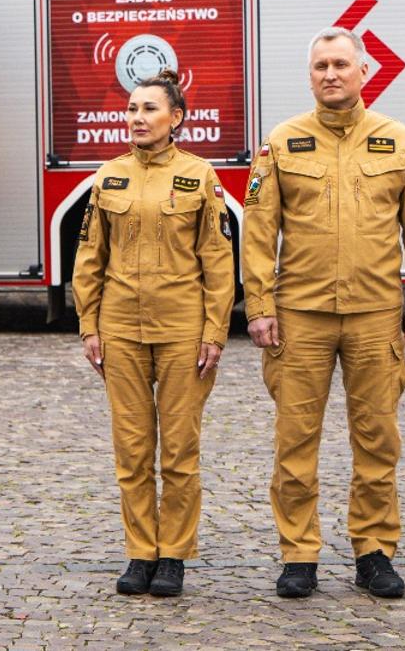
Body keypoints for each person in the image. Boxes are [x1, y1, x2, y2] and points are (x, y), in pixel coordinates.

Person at [241, 27, 405, 600]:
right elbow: (259, 231)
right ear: (310, 76)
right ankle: (298, 554)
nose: (330, 74)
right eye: (320, 66)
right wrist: (259, 305)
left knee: (377, 439)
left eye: (340, 64)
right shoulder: (283, 142)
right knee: (294, 441)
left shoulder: (396, 141)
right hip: (299, 315)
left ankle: (374, 552)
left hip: (375, 313)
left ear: (364, 71)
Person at [73, 69, 234, 598]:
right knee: (133, 448)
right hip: (120, 329)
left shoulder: (199, 175)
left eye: (149, 109)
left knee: (180, 451)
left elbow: (218, 259)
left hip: (183, 329)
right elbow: (90, 257)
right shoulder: (109, 177)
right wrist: (89, 325)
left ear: (176, 117)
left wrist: (215, 331)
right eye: (131, 109)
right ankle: (141, 552)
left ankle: (173, 556)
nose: (137, 118)